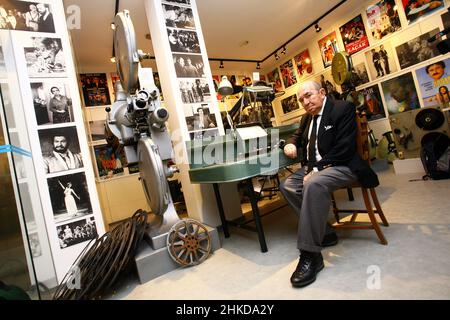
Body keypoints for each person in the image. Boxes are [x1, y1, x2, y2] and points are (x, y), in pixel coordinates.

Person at [279, 80, 379, 288]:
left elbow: (344, 148)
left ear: (322, 92)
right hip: (314, 168)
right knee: (287, 185)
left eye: (308, 96)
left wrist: (316, 170)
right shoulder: (307, 118)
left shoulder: (342, 108)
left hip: (341, 165)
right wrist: (290, 144)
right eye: (301, 100)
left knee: (313, 184)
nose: (305, 102)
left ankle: (310, 255)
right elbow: (296, 136)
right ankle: (325, 232)